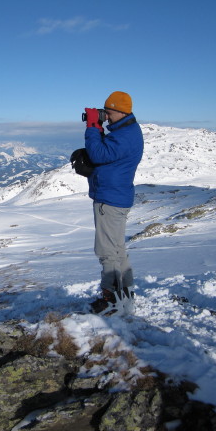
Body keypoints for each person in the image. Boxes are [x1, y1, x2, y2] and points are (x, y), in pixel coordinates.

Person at [83, 91, 144, 313]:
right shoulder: (128, 131)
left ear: (120, 111)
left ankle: (111, 300)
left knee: (107, 251)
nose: (106, 117)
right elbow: (107, 156)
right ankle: (125, 294)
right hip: (117, 196)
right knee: (118, 249)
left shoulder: (125, 135)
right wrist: (98, 130)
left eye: (108, 113)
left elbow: (98, 155)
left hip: (109, 200)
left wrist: (92, 127)